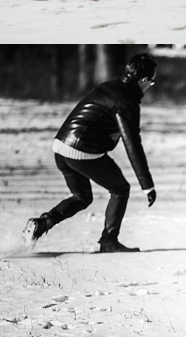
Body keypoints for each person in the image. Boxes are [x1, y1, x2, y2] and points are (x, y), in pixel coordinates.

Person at [22, 53, 158, 253]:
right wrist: (147, 185)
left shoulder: (111, 86)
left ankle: (41, 224)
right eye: (151, 82)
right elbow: (132, 143)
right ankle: (109, 241)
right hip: (81, 150)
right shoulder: (127, 101)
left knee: (82, 197)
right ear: (144, 80)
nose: (149, 87)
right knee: (120, 189)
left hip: (61, 146)